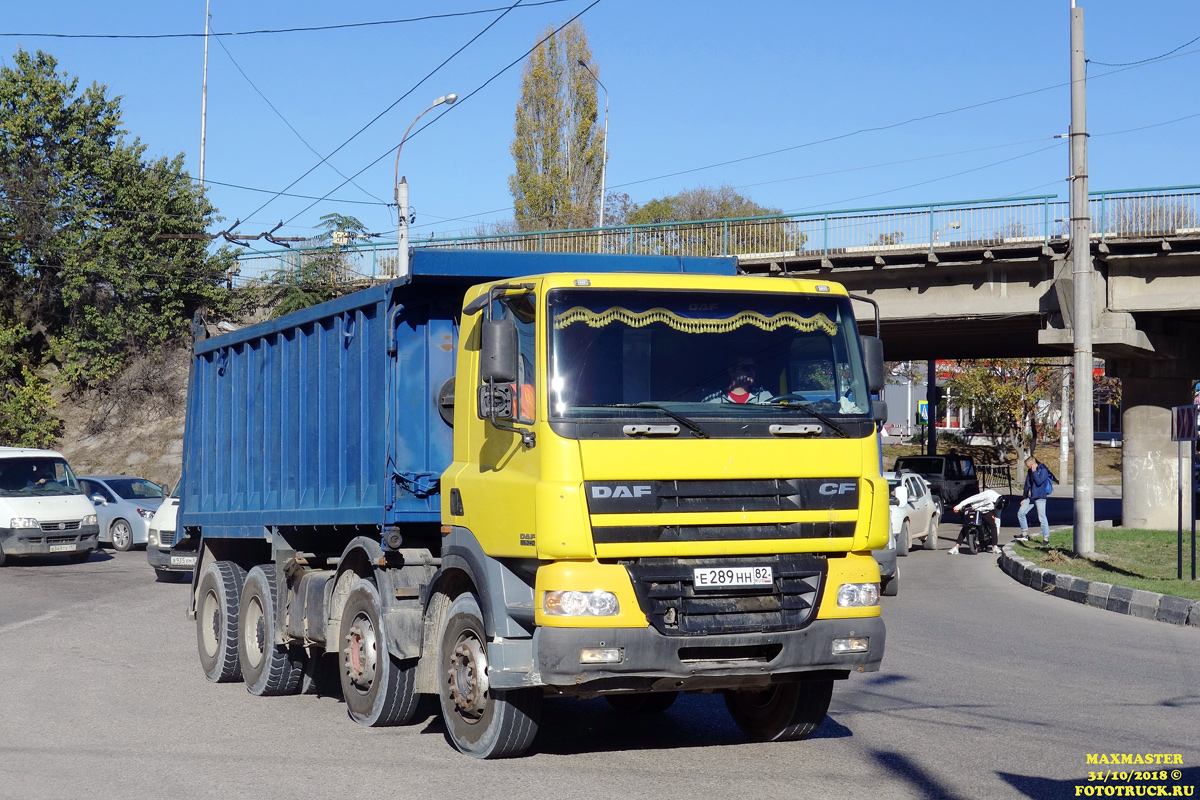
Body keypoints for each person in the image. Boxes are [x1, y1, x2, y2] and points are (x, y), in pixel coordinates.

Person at [950, 487, 1003, 554]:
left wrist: (997, 532)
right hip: (974, 508)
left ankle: (994, 546)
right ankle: (956, 547)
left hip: (986, 511)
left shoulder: (1000, 505)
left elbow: (997, 518)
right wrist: (960, 505)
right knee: (966, 525)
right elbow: (972, 499)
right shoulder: (988, 495)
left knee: (993, 524)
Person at [1015, 455, 1055, 544]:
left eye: (1029, 466)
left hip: (1040, 496)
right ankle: (1024, 534)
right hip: (1031, 497)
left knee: (1042, 517)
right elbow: (1027, 484)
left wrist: (1034, 472)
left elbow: (1039, 481)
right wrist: (1024, 497)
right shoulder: (1030, 471)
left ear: (1033, 464)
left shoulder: (1043, 469)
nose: (1028, 468)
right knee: (1021, 512)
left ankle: (1046, 538)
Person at [703, 357, 773, 404]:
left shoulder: (764, 396)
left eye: (754, 368)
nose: (752, 372)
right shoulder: (713, 400)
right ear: (731, 371)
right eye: (746, 368)